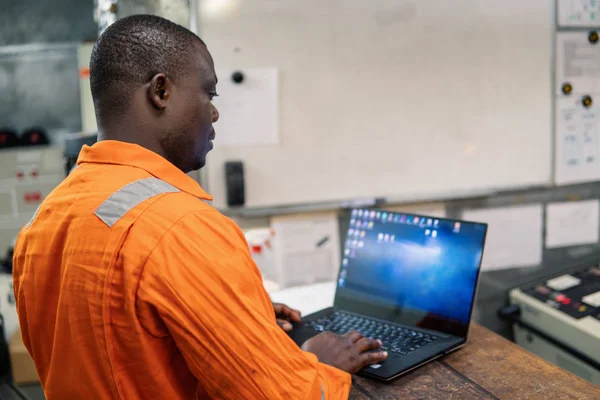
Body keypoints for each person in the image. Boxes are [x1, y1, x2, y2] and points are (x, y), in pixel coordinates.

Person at [12, 15, 387, 399]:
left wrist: (231, 315)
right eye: (210, 94)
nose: (214, 113)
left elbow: (112, 337)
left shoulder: (45, 221)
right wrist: (318, 364)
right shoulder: (181, 227)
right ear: (162, 92)